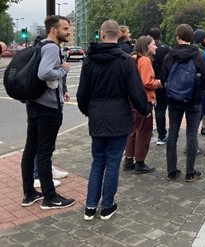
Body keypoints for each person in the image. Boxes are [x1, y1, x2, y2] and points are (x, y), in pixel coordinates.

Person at [77, 20, 149, 221]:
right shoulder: (126, 61)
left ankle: (90, 206)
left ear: (101, 34)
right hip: (119, 116)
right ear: (119, 35)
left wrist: (89, 111)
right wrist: (145, 109)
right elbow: (136, 91)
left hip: (98, 116)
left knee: (97, 161)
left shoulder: (89, 60)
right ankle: (107, 205)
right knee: (112, 162)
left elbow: (82, 93)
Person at [20, 15, 75, 209]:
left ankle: (29, 193)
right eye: (65, 28)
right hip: (48, 107)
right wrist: (63, 70)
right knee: (44, 152)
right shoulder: (52, 47)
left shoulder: (40, 45)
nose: (68, 31)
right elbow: (44, 73)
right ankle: (50, 197)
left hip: (34, 104)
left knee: (31, 149)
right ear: (54, 30)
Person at [161, 24, 205, 182]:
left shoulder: (170, 55)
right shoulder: (199, 55)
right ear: (191, 38)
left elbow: (163, 78)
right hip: (193, 100)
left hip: (174, 99)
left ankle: (172, 171)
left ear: (177, 37)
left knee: (173, 134)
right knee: (191, 134)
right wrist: (200, 92)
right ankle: (190, 172)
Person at [124, 36, 162, 174]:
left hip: (133, 100)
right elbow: (147, 82)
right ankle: (140, 162)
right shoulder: (145, 61)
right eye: (153, 44)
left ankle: (128, 159)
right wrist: (159, 83)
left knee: (133, 131)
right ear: (146, 46)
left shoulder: (135, 59)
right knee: (144, 132)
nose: (156, 46)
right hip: (144, 101)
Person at [148, 27, 170, 145]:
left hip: (148, 81)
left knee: (148, 107)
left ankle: (149, 129)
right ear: (160, 36)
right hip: (162, 81)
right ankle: (161, 135)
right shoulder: (166, 49)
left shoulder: (145, 48)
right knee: (161, 108)